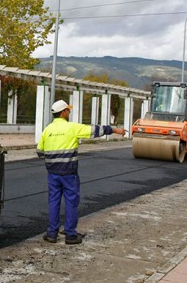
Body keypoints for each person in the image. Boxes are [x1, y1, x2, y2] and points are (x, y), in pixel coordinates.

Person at [37, 100, 126, 245]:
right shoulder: (71, 127)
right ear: (63, 112)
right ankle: (70, 235)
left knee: (53, 201)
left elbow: (40, 152)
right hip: (69, 173)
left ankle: (52, 234)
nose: (69, 112)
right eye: (68, 110)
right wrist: (115, 130)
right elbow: (94, 130)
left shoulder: (47, 130)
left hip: (53, 174)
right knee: (71, 202)